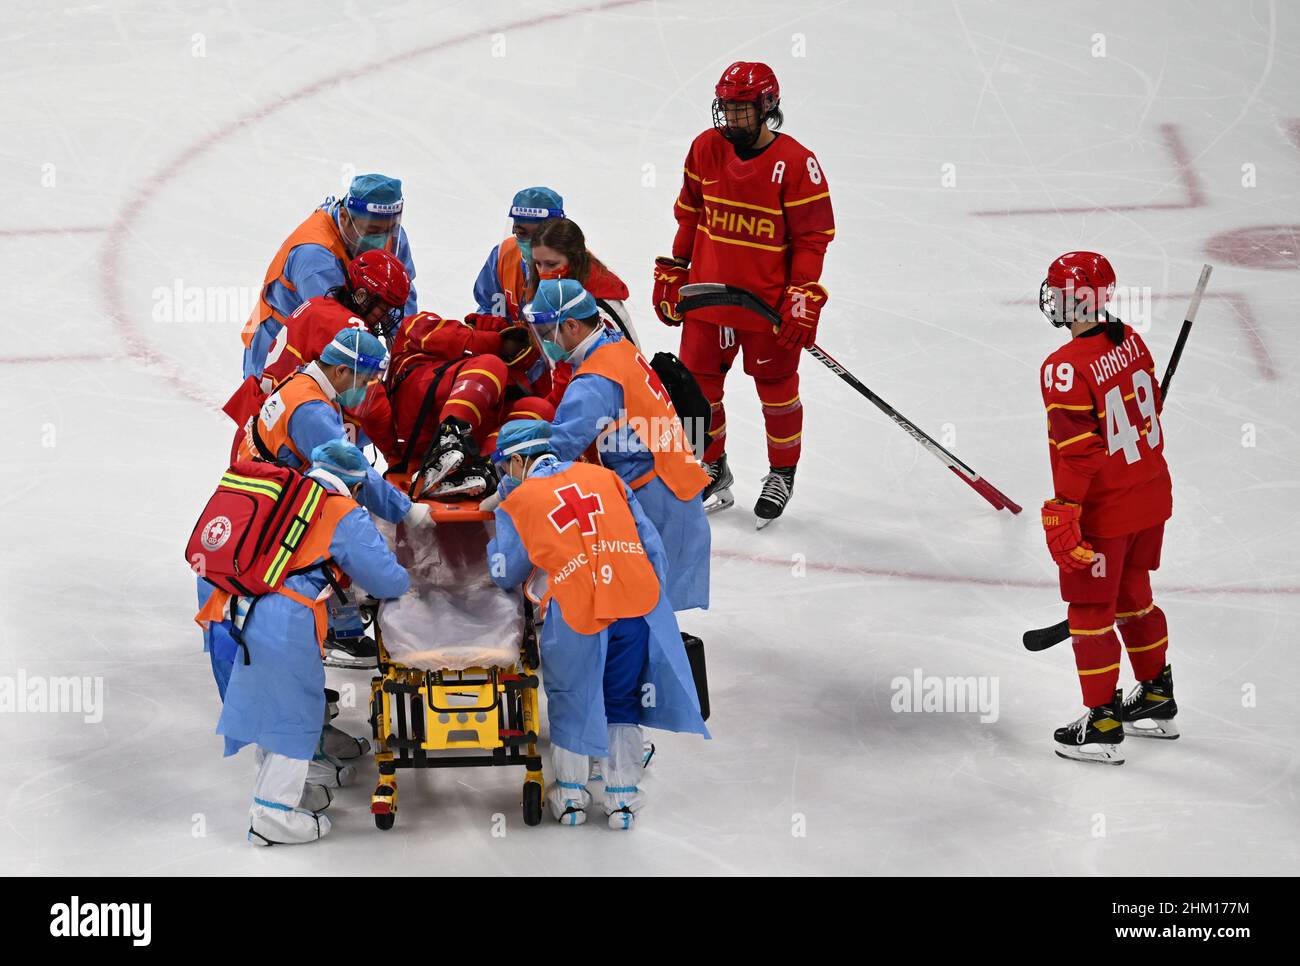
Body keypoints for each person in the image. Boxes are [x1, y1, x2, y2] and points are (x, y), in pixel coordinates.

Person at [485, 421, 709, 829]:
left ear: (517, 461)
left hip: (576, 611)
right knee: (621, 699)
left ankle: (571, 798)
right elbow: (651, 545)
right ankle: (622, 802)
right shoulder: (606, 478)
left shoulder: (520, 502)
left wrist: (503, 518)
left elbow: (505, 571)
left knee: (573, 698)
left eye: (505, 468)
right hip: (635, 603)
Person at [196, 441, 410, 844]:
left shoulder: (291, 493)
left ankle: (282, 792)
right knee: (295, 712)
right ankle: (273, 816)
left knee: (271, 705)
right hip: (283, 618)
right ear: (358, 486)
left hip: (236, 608)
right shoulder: (341, 511)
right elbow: (387, 579)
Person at [652, 62, 836, 527]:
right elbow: (689, 215)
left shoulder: (797, 164)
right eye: (726, 109)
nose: (730, 120)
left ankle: (781, 472)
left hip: (767, 307)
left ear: (767, 106)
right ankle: (711, 466)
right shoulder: (705, 149)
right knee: (695, 391)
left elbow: (812, 240)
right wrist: (675, 271)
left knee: (776, 393)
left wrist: (802, 298)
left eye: (741, 110)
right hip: (709, 297)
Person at [1036, 252, 1178, 765]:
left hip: (1107, 511)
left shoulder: (1063, 368)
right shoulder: (1132, 341)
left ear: (1075, 299)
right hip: (1150, 495)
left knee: (1091, 611)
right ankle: (1156, 697)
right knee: (1134, 595)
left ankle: (1101, 722)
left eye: (1057, 290)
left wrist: (1064, 511)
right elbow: (1150, 408)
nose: (1052, 298)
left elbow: (1080, 452)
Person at [527, 279, 710, 614]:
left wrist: (512, 469)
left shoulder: (596, 380)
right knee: (648, 607)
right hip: (675, 485)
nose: (547, 342)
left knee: (642, 612)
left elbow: (558, 448)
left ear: (571, 325)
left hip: (655, 502)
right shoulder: (616, 345)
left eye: (548, 332)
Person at [358, 310, 557, 498]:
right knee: (490, 365)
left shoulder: (512, 373)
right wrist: (497, 342)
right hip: (418, 417)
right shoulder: (422, 325)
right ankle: (450, 437)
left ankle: (487, 467)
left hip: (468, 441)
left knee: (540, 409)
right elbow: (434, 332)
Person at [241, 173, 419, 381]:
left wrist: (405, 361)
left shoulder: (392, 234)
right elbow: (335, 331)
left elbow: (401, 302)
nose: (383, 239)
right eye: (372, 231)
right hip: (281, 347)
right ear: (344, 217)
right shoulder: (315, 256)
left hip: (328, 340)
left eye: (389, 229)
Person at [523, 217, 639, 346]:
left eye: (551, 264)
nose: (543, 272)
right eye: (538, 263)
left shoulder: (596, 309)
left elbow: (606, 361)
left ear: (574, 260)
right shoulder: (558, 293)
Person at [472, 186, 564, 320]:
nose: (532, 243)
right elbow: (489, 308)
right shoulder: (503, 254)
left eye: (540, 234)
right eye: (521, 233)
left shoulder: (577, 263)